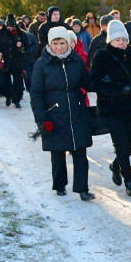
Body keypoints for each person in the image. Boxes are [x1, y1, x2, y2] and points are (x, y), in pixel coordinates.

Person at [30, 27, 95, 201]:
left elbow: (87, 83)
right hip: (54, 113)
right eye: (56, 43)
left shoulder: (76, 60)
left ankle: (82, 188)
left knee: (80, 151)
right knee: (57, 152)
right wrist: (41, 120)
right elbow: (36, 94)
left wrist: (102, 79)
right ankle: (59, 184)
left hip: (76, 110)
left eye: (63, 43)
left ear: (68, 43)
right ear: (50, 44)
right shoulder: (42, 64)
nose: (59, 47)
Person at [91, 19, 131, 197]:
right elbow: (94, 82)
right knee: (121, 145)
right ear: (110, 41)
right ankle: (129, 182)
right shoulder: (102, 56)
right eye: (117, 40)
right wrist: (115, 90)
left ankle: (115, 165)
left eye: (124, 39)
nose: (121, 42)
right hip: (112, 108)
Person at [0, 16, 30, 110]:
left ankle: (16, 100)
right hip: (4, 59)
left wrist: (21, 45)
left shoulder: (20, 33)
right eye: (9, 28)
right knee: (3, 81)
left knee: (18, 82)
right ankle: (8, 95)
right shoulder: (0, 33)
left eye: (13, 28)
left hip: (17, 61)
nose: (11, 30)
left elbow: (27, 45)